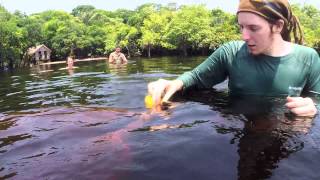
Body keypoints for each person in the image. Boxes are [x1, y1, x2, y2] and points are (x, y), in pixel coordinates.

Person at [147, 0, 320, 117]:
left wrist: (313, 108)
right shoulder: (230, 52)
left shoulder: (308, 58)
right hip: (236, 123)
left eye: (253, 28)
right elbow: (195, 77)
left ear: (278, 26)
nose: (244, 36)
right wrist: (174, 83)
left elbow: (317, 100)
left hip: (284, 135)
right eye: (241, 27)